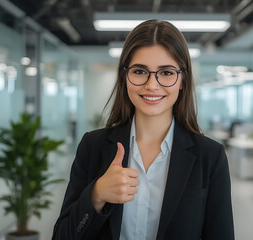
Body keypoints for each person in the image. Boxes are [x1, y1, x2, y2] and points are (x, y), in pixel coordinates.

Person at [52, 19, 234, 240]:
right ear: (125, 76)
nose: (152, 85)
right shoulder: (92, 146)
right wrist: (97, 194)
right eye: (140, 71)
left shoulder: (210, 156)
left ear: (182, 80)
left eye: (166, 73)